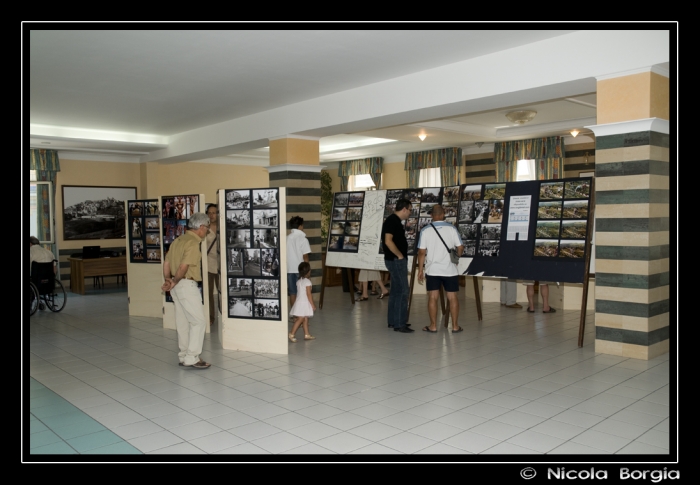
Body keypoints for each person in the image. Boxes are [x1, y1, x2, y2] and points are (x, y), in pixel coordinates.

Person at [161, 212, 212, 369]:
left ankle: (184, 355)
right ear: (201, 227)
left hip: (177, 287)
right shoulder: (192, 243)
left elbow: (167, 263)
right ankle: (192, 357)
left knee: (182, 322)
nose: (207, 231)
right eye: (207, 228)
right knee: (198, 322)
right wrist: (175, 281)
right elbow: (184, 266)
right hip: (186, 285)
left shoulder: (178, 240)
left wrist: (168, 280)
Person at [416, 205, 464, 333]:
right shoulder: (452, 229)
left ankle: (433, 326)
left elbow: (421, 252)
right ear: (443, 214)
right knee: (452, 297)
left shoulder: (425, 230)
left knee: (433, 297)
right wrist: (456, 257)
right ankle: (455, 326)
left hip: (432, 270)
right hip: (450, 269)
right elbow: (460, 248)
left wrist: (420, 270)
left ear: (431, 215)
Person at [381, 198, 414, 333]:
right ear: (404, 209)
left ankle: (394, 320)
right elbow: (388, 241)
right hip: (396, 261)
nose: (410, 213)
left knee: (395, 290)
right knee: (403, 291)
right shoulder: (392, 221)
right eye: (410, 210)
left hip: (394, 260)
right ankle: (400, 324)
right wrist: (399, 255)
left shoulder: (395, 221)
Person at [286, 216, 311, 307]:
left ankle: (295, 316)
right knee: (303, 293)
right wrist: (307, 271)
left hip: (289, 270)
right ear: (300, 226)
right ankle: (302, 316)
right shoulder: (303, 239)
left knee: (293, 293)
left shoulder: (286, 238)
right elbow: (305, 256)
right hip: (300, 270)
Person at [288, 262, 316, 342]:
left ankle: (307, 334)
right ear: (308, 271)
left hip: (299, 302)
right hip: (304, 303)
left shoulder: (299, 281)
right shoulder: (307, 282)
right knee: (301, 318)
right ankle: (291, 333)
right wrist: (313, 305)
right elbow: (309, 294)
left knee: (305, 318)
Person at [205, 204, 220, 327]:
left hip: (220, 265)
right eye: (209, 213)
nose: (211, 215)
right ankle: (211, 316)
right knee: (209, 293)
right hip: (209, 264)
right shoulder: (205, 228)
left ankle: (222, 315)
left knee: (221, 292)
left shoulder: (222, 227)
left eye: (214, 212)